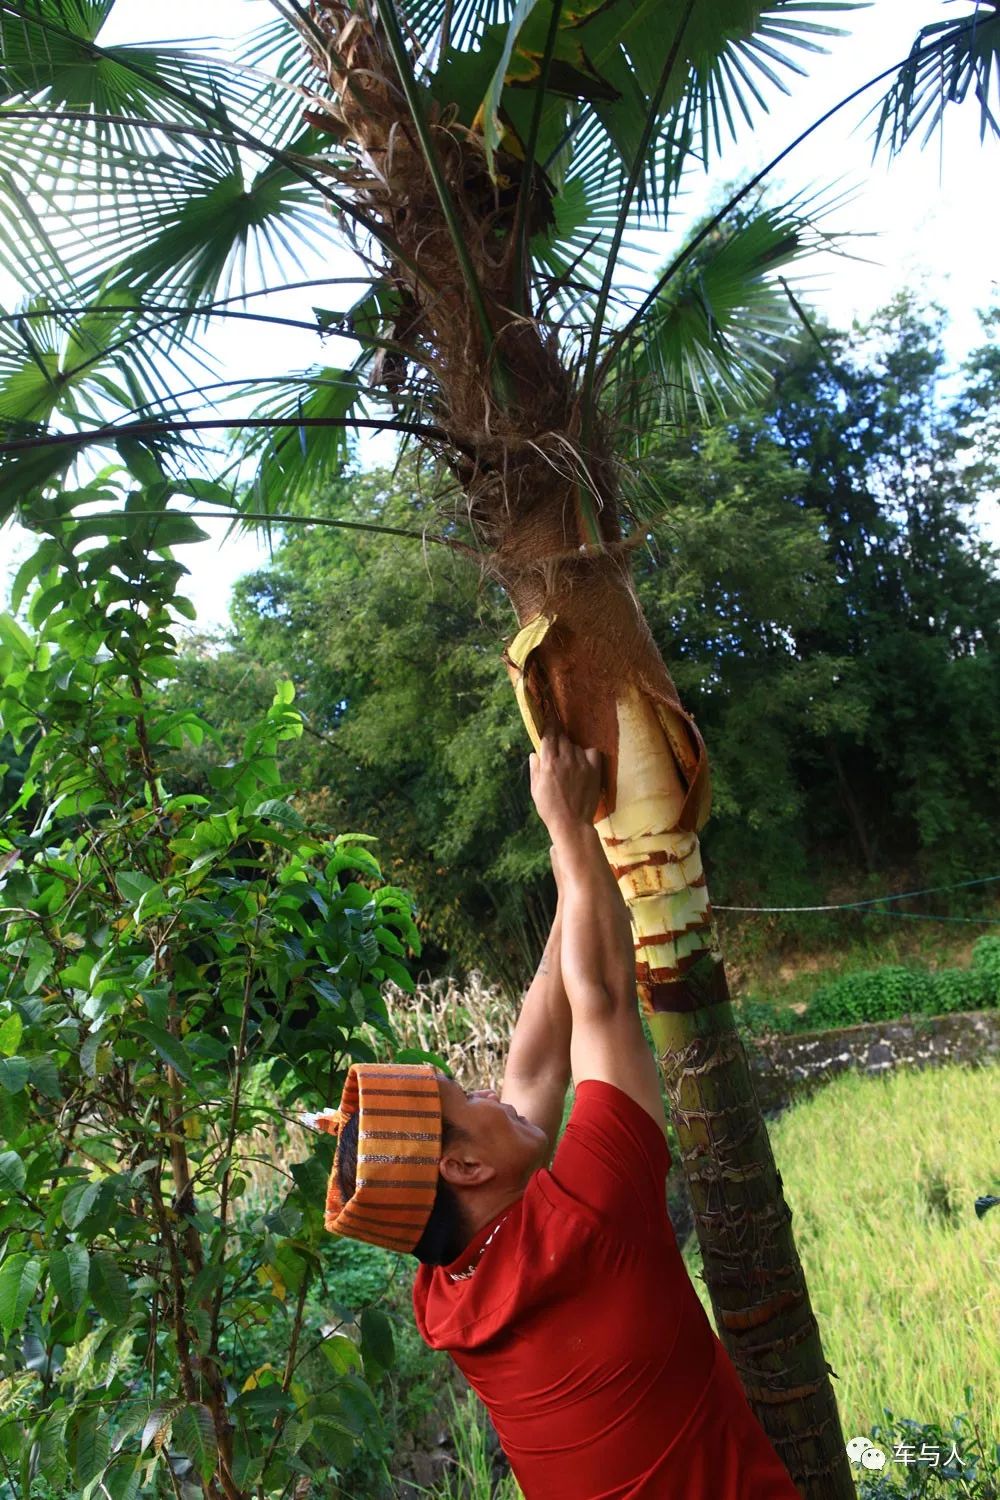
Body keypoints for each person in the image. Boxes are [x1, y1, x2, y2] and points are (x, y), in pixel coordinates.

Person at [315, 729, 801, 1498]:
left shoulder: (449, 1286)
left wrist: (579, 859)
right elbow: (602, 998)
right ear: (465, 1167)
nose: (491, 1092)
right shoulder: (592, 1220)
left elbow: (539, 1059)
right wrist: (571, 832)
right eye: (468, 1098)